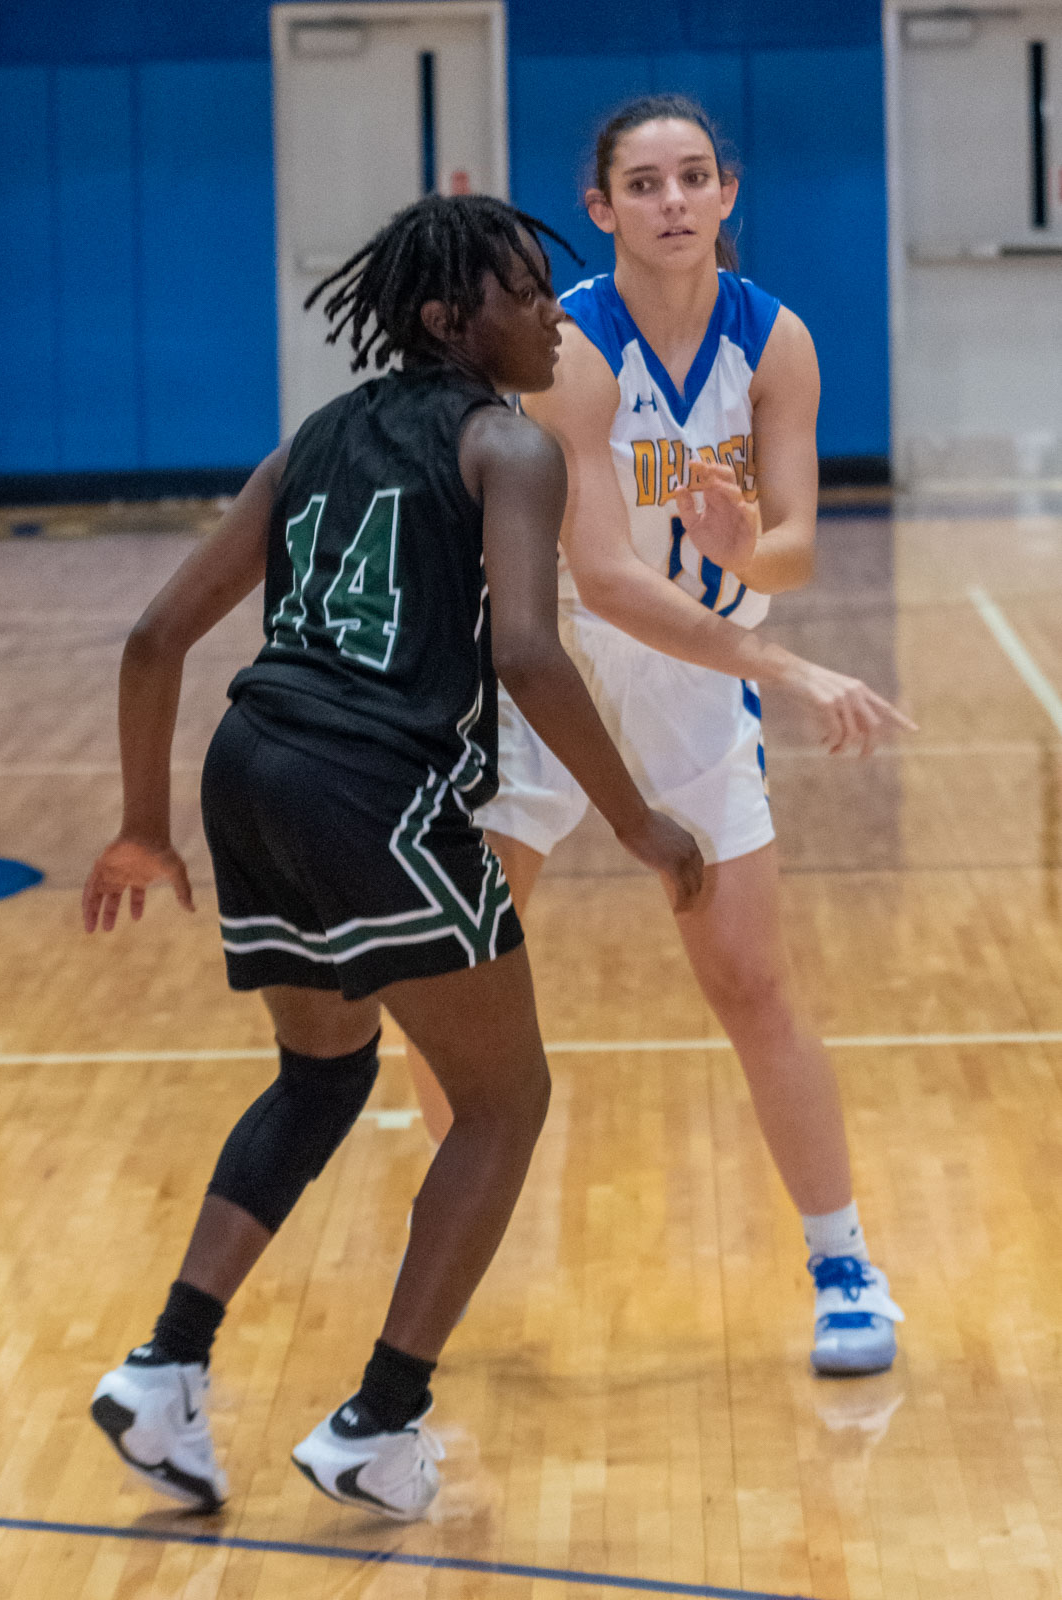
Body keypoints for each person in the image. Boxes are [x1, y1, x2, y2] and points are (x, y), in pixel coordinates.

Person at [81, 193, 702, 1522]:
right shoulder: (508, 444)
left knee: (324, 1072)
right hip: (375, 788)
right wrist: (641, 822)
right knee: (506, 1102)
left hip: (252, 768)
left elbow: (152, 639)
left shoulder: (308, 440)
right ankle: (379, 1421)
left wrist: (142, 825)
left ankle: (165, 1367)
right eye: (523, 292)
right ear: (446, 317)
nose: (550, 315)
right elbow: (528, 653)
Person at [405, 98, 917, 1377]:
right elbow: (607, 578)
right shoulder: (570, 348)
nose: (674, 201)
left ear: (727, 192)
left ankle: (844, 1264)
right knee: (463, 974)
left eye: (694, 177)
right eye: (645, 183)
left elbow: (794, 547)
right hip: (548, 665)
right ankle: (449, 1248)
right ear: (602, 207)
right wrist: (784, 663)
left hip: (696, 681)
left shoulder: (775, 341)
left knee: (750, 980)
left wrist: (751, 549)